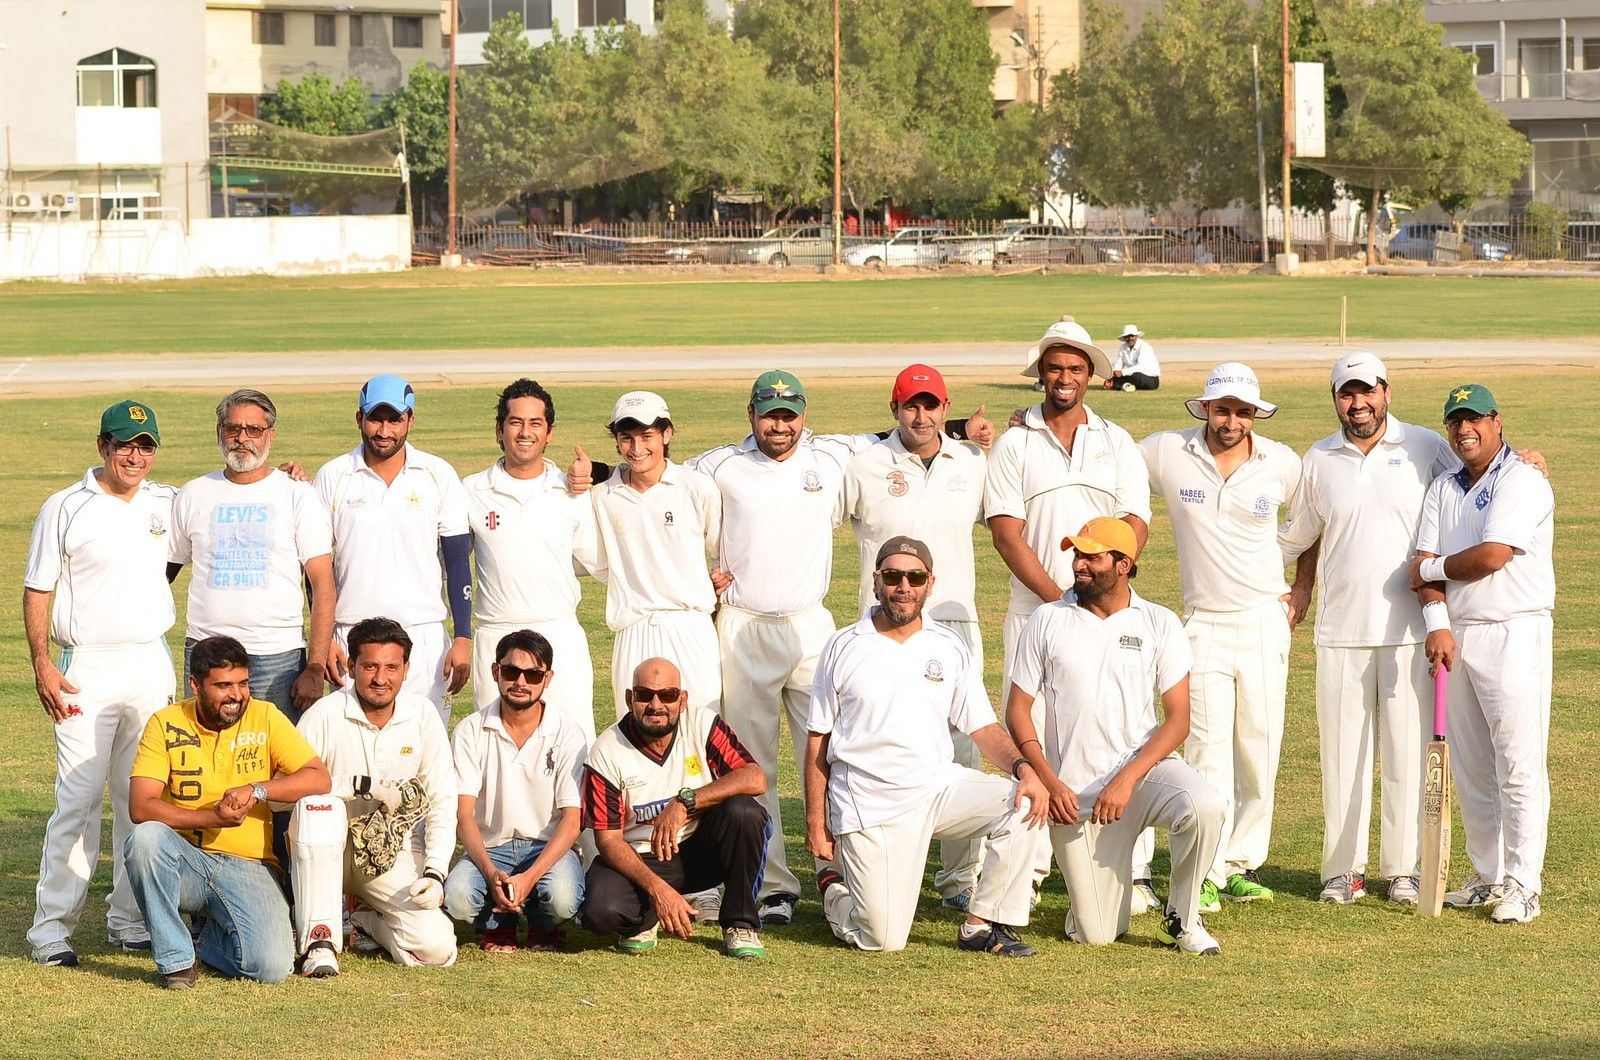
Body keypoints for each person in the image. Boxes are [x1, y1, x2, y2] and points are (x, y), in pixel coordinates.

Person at [804, 536, 1048, 957]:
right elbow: (817, 740)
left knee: (1025, 802)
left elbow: (983, 727)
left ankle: (982, 925)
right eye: (893, 576)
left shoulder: (947, 645)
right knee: (882, 939)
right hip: (869, 802)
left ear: (930, 583)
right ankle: (834, 888)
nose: (904, 587)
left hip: (937, 788)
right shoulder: (844, 645)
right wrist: (814, 822)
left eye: (915, 578)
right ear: (876, 580)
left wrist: (1025, 770)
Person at [1278, 352, 1461, 906]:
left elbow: (1476, 478)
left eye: (1367, 392)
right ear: (1335, 399)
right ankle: (1343, 872)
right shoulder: (1319, 457)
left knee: (1407, 755)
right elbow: (1300, 535)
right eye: (1347, 393)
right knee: (1342, 758)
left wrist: (1525, 460)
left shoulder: (1426, 445)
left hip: (1413, 631)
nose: (1358, 404)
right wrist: (1282, 581)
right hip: (1340, 631)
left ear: (1386, 392)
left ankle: (1403, 870)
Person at [1006, 518, 1226, 954]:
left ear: (1124, 564)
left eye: (1092, 556)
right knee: (1098, 934)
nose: (1079, 564)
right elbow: (1017, 710)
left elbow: (1178, 720)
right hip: (1076, 800)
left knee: (1205, 805)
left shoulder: (1159, 622)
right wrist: (1051, 782)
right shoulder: (1047, 619)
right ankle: (1104, 899)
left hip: (1142, 778)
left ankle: (1182, 918)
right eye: (1077, 555)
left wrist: (1126, 779)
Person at [985, 316, 1151, 895]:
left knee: (1119, 729)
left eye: (1075, 368)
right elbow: (1007, 534)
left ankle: (1131, 867)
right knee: (1031, 737)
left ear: (1090, 375)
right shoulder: (1015, 443)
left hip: (1108, 615)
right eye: (1054, 368)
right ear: (1042, 373)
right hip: (1037, 613)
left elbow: (1135, 524)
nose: (1064, 377)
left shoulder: (1116, 441)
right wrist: (1064, 600)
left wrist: (1100, 591)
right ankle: (1027, 872)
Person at [1138, 363, 1303, 913]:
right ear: (1205, 408)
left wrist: (1300, 587)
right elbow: (1109, 456)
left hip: (1263, 620)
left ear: (1256, 415)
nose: (1232, 421)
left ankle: (1240, 863)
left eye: (1243, 412)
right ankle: (1204, 869)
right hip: (1202, 622)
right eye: (1223, 409)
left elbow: (1314, 524)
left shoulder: (1282, 462)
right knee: (1206, 750)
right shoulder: (1169, 451)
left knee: (1258, 747)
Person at [25, 400, 178, 967]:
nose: (134, 456)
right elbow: (37, 588)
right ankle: (51, 930)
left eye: (145, 446)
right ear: (102, 446)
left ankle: (129, 920)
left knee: (141, 796)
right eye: (124, 445)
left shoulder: (167, 501)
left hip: (149, 660)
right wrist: (43, 664)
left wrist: (286, 477)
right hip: (85, 665)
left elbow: (215, 512)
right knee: (79, 798)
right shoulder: (65, 506)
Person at [841, 363, 991, 911]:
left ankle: (959, 878)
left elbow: (1007, 523)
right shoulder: (865, 465)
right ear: (895, 409)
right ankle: (866, 859)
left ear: (945, 409)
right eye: (911, 405)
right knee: (875, 741)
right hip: (882, 630)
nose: (921, 415)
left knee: (963, 745)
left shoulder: (972, 462)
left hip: (953, 623)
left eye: (930, 405)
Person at [1410, 384, 1554, 925]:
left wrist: (1430, 570)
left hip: (1515, 629)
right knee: (1472, 767)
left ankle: (1523, 883)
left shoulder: (1523, 479)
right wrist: (1437, 623)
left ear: (1497, 421)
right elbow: (1423, 562)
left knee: (1517, 763)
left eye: (1473, 419)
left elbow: (1492, 556)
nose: (1463, 430)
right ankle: (1487, 875)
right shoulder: (1443, 486)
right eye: (1455, 421)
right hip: (1459, 635)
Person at [124, 635, 332, 988]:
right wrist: (212, 818)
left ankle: (208, 937)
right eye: (223, 686)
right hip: (185, 860)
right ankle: (176, 961)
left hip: (248, 864)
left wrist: (257, 790)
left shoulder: (265, 716)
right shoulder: (165, 722)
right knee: (146, 840)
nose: (236, 695)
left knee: (271, 967)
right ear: (195, 685)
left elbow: (318, 777)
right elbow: (140, 806)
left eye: (243, 683)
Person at [289, 617, 457, 976]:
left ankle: (367, 921)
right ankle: (320, 943)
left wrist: (436, 872)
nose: (381, 678)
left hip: (388, 855)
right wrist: (354, 784)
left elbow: (442, 799)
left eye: (391, 667)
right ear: (351, 666)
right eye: (370, 666)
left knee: (437, 949)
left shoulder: (422, 715)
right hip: (324, 852)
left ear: (406, 669)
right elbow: (282, 793)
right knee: (320, 806)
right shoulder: (324, 715)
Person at [580, 657, 771, 961]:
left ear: (682, 700)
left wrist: (685, 802)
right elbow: (608, 840)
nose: (655, 705)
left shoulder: (702, 724)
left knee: (745, 812)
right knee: (601, 912)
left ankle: (740, 923)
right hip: (643, 857)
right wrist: (659, 889)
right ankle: (647, 916)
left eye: (667, 695)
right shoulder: (606, 751)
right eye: (644, 695)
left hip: (700, 849)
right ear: (629, 698)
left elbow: (754, 777)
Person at [313, 375, 472, 728]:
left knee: (424, 740)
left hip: (423, 633)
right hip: (351, 634)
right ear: (359, 418)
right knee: (352, 740)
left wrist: (462, 636)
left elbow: (458, 560)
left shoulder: (437, 473)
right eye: (375, 419)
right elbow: (316, 568)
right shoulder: (333, 475)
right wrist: (323, 641)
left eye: (395, 420)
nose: (384, 431)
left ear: (410, 420)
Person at [168, 388, 335, 721]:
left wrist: (315, 666)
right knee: (209, 748)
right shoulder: (193, 493)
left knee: (276, 751)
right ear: (219, 432)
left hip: (277, 657)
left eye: (253, 430)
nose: (242, 438)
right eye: (233, 428)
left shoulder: (297, 495)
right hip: (206, 651)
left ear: (270, 435)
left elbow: (323, 586)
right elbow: (163, 573)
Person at [462, 378, 601, 739]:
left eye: (535, 423)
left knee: (574, 744)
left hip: (559, 634)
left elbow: (594, 562)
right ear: (499, 430)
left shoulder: (571, 489)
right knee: (496, 744)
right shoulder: (471, 491)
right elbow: (448, 563)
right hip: (496, 634)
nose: (525, 432)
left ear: (549, 432)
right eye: (516, 422)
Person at [446, 629, 587, 952]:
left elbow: (572, 820)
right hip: (491, 846)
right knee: (458, 899)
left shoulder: (568, 733)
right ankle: (498, 925)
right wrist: (489, 871)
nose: (520, 682)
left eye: (533, 674)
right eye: (511, 671)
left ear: (547, 678)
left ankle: (541, 923)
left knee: (563, 898)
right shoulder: (469, 731)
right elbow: (463, 815)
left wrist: (530, 876)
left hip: (547, 846)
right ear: (495, 671)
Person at [587, 392, 724, 720]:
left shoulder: (696, 487)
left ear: (667, 434)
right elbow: (600, 564)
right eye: (627, 438)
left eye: (647, 436)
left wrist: (713, 584)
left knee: (700, 726)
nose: (637, 448)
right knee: (636, 730)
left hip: (690, 627)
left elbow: (721, 552)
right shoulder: (602, 495)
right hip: (633, 627)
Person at [1106, 325, 1161, 391]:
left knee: (1135, 377)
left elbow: (1141, 367)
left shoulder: (1144, 347)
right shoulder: (1123, 347)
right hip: (1132, 375)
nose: (1130, 339)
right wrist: (1113, 376)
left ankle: (1121, 385)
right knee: (1118, 379)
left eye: (1132, 336)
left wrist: (1122, 372)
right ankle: (1124, 385)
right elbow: (1119, 364)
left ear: (1136, 336)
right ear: (1124, 338)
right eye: (1127, 336)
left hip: (1150, 379)